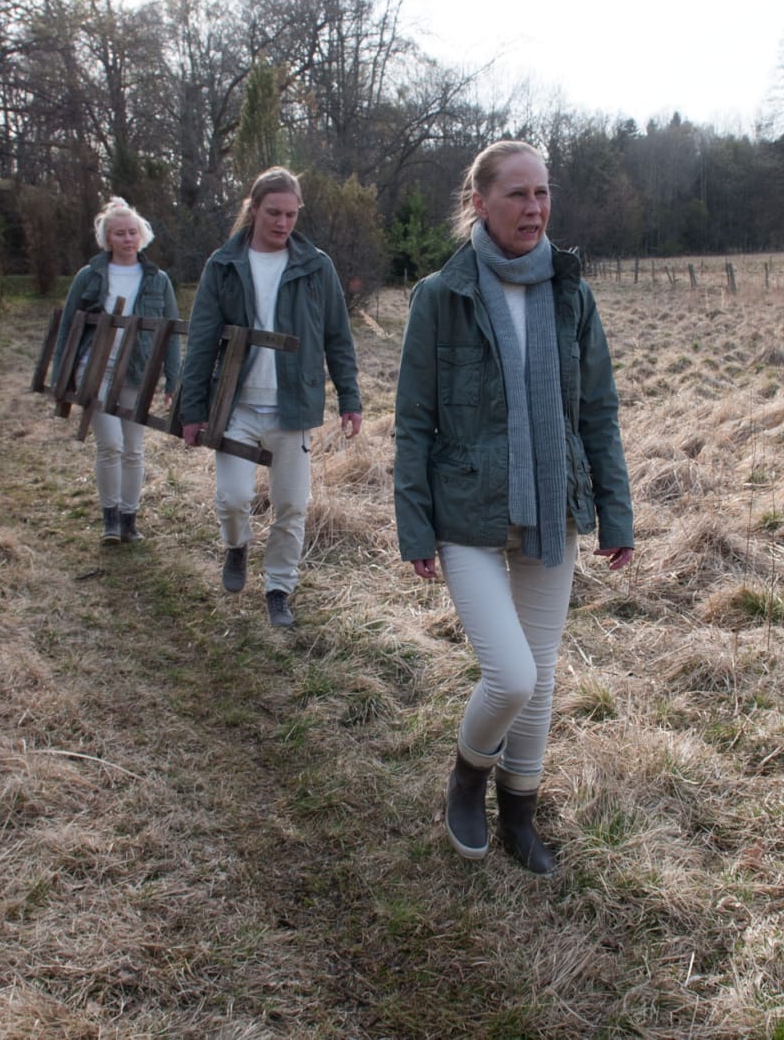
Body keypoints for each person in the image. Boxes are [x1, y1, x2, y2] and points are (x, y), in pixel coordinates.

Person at [393, 140, 635, 874]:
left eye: (543, 193)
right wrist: (414, 525)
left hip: (551, 501)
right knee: (513, 676)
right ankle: (469, 775)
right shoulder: (443, 294)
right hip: (464, 506)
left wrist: (616, 513)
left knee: (543, 673)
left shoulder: (571, 291)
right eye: (518, 195)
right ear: (480, 202)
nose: (535, 209)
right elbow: (412, 420)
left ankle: (520, 814)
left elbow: (597, 410)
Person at [179, 167, 362, 628]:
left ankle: (279, 587)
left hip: (292, 407)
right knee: (234, 498)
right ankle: (237, 546)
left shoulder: (316, 266)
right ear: (254, 208)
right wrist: (192, 410)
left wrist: (350, 398)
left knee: (291, 505)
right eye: (274, 212)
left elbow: (338, 336)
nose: (283, 223)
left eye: (291, 214)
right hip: (234, 405)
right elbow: (201, 340)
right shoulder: (224, 264)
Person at [51, 196, 180, 545]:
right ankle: (109, 519)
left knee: (134, 448)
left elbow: (170, 329)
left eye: (132, 232)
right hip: (94, 367)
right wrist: (60, 376)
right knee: (110, 444)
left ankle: (129, 519)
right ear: (108, 238)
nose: (127, 238)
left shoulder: (158, 280)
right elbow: (68, 325)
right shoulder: (89, 276)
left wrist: (173, 377)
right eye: (119, 233)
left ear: (142, 236)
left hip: (138, 370)